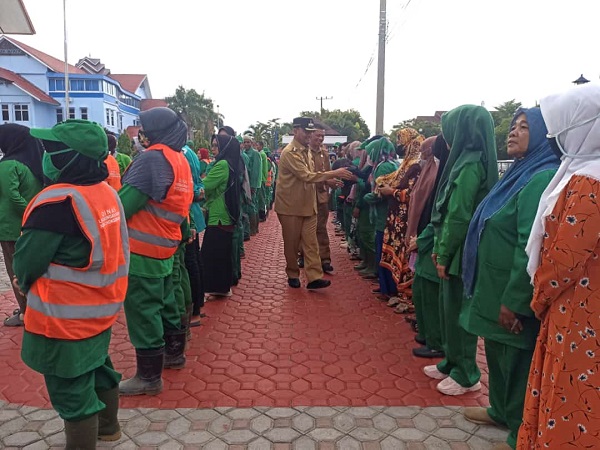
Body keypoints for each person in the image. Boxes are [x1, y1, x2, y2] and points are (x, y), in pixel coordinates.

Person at [13, 120, 129, 448]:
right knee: (99, 366)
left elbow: (28, 261)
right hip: (101, 307)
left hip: (64, 318)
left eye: (52, 150)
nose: (45, 155)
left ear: (69, 158)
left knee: (70, 388)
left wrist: (22, 280)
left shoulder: (57, 201)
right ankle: (108, 427)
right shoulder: (106, 192)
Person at [459, 108, 560, 450]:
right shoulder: (519, 173)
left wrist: (515, 301)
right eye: (512, 126)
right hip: (494, 284)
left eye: (524, 127)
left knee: (517, 363)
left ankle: (520, 432)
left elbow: (529, 247)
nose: (512, 133)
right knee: (498, 353)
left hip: (511, 289)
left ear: (546, 134)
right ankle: (500, 410)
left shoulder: (540, 177)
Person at [518, 84, 600, 449]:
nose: (553, 138)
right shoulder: (579, 172)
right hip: (579, 308)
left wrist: (540, 296)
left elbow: (565, 258)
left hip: (578, 312)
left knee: (572, 398)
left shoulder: (588, 182)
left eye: (560, 129)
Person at [424, 104, 498, 396]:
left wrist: (443, 253)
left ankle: (467, 373)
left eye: (449, 131)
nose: (446, 138)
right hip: (450, 247)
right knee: (448, 307)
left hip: (459, 250)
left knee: (460, 312)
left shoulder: (469, 163)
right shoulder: (462, 160)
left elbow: (458, 215)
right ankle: (451, 361)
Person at [118, 107, 193, 395]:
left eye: (143, 130)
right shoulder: (180, 159)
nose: (140, 136)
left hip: (141, 249)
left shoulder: (153, 159)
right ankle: (174, 354)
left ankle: (148, 377)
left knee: (143, 310)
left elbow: (123, 206)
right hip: (166, 245)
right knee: (166, 302)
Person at [274, 117, 352, 289]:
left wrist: (327, 180)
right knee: (292, 244)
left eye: (311, 132)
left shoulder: (307, 151)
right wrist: (333, 173)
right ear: (295, 131)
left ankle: (314, 277)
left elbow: (314, 174)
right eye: (306, 131)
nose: (309, 135)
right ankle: (292, 273)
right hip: (291, 207)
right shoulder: (290, 152)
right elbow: (306, 176)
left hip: (309, 205)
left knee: (311, 243)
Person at [0, 124, 43, 326]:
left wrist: (29, 212)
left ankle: (26, 313)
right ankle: (35, 307)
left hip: (11, 227)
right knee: (31, 268)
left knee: (15, 269)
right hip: (32, 226)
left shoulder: (7, 165)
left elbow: (12, 197)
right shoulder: (34, 161)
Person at [410, 135, 449, 358]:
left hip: (433, 241)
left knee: (432, 294)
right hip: (425, 237)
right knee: (421, 290)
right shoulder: (440, 170)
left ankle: (436, 342)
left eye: (428, 151)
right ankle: (427, 334)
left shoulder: (444, 172)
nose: (424, 157)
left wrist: (422, 240)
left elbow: (445, 216)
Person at [377, 128, 424, 312]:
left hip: (407, 221)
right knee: (399, 256)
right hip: (397, 218)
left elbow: (415, 195)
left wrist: (392, 192)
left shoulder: (417, 165)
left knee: (407, 257)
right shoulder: (406, 163)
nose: (400, 145)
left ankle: (407, 297)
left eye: (401, 140)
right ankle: (399, 292)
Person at [202, 133, 243, 297]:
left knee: (209, 254)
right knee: (221, 253)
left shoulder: (222, 165)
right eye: (212, 145)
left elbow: (207, 185)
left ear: (224, 147)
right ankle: (222, 288)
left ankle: (212, 288)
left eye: (215, 145)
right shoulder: (231, 163)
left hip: (218, 214)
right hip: (226, 214)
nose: (212, 149)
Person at [308, 125, 338, 273]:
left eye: (322, 136)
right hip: (306, 195)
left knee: (321, 228)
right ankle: (304, 256)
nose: (320, 138)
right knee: (306, 229)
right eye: (317, 135)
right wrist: (326, 180)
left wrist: (331, 181)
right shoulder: (302, 152)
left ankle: (325, 259)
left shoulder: (324, 154)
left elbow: (327, 172)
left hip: (320, 196)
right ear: (310, 135)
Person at [242, 135, 262, 235]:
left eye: (248, 142)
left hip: (252, 184)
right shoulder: (244, 153)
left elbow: (255, 171)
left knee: (252, 204)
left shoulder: (255, 154)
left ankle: (253, 228)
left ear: (252, 143)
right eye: (244, 142)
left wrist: (253, 186)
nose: (246, 144)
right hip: (247, 183)